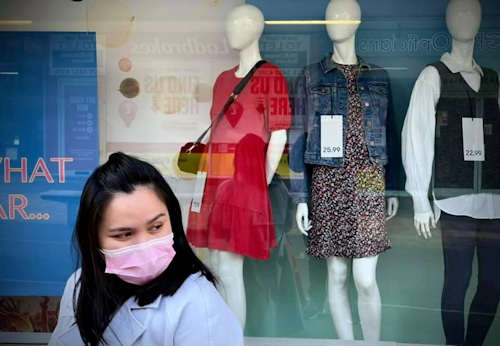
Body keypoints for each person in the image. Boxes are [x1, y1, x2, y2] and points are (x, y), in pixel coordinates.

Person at [49, 152, 243, 346]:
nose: (144, 245)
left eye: (156, 227)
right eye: (124, 234)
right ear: (93, 239)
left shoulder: (198, 304)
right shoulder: (79, 285)